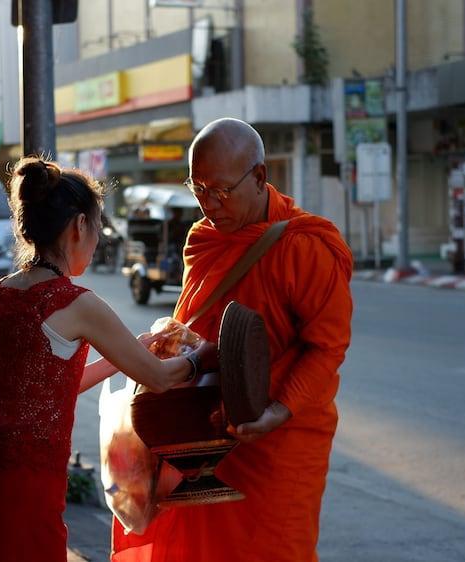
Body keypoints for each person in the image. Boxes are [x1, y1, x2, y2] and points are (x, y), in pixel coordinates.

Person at [0, 157, 216, 562]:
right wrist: (204, 357)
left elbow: (51, 386)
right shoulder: (76, 303)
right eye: (96, 228)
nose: (97, 243)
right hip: (20, 489)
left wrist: (123, 356)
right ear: (79, 226)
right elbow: (162, 379)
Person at [111, 118, 354, 562]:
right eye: (197, 188)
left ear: (259, 176)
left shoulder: (305, 246)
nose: (209, 204)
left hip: (277, 442)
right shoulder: (203, 239)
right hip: (200, 440)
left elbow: (328, 347)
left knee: (273, 549)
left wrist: (279, 411)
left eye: (220, 190)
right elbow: (194, 330)